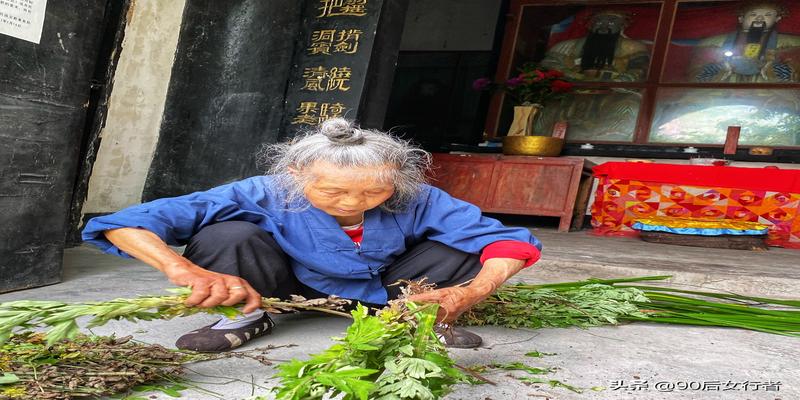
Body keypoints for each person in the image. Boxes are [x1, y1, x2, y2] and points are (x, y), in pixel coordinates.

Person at [82, 118, 542, 352]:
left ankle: (427, 319)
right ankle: (243, 318)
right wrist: (181, 268)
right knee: (227, 234)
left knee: (460, 246)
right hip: (286, 290)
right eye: (333, 191)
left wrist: (473, 291)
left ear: (396, 181)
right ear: (297, 174)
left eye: (374, 192)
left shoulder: (417, 196)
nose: (352, 203)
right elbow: (126, 222)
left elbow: (509, 242)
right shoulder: (263, 192)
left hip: (394, 292)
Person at [689, 1, 800, 82]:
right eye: (753, 14)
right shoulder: (713, 43)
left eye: (768, 15)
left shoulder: (790, 43)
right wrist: (723, 67)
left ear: (777, 18)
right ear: (741, 18)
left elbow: (795, 73)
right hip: (723, 92)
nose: (760, 18)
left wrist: (770, 67)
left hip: (768, 93)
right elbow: (696, 74)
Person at [540, 10, 651, 82]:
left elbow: (639, 70)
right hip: (570, 91)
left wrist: (617, 81)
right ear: (590, 26)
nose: (604, 26)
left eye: (611, 23)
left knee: (629, 108)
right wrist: (574, 76)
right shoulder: (567, 46)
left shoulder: (633, 47)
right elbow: (548, 64)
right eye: (598, 22)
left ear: (622, 25)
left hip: (613, 93)